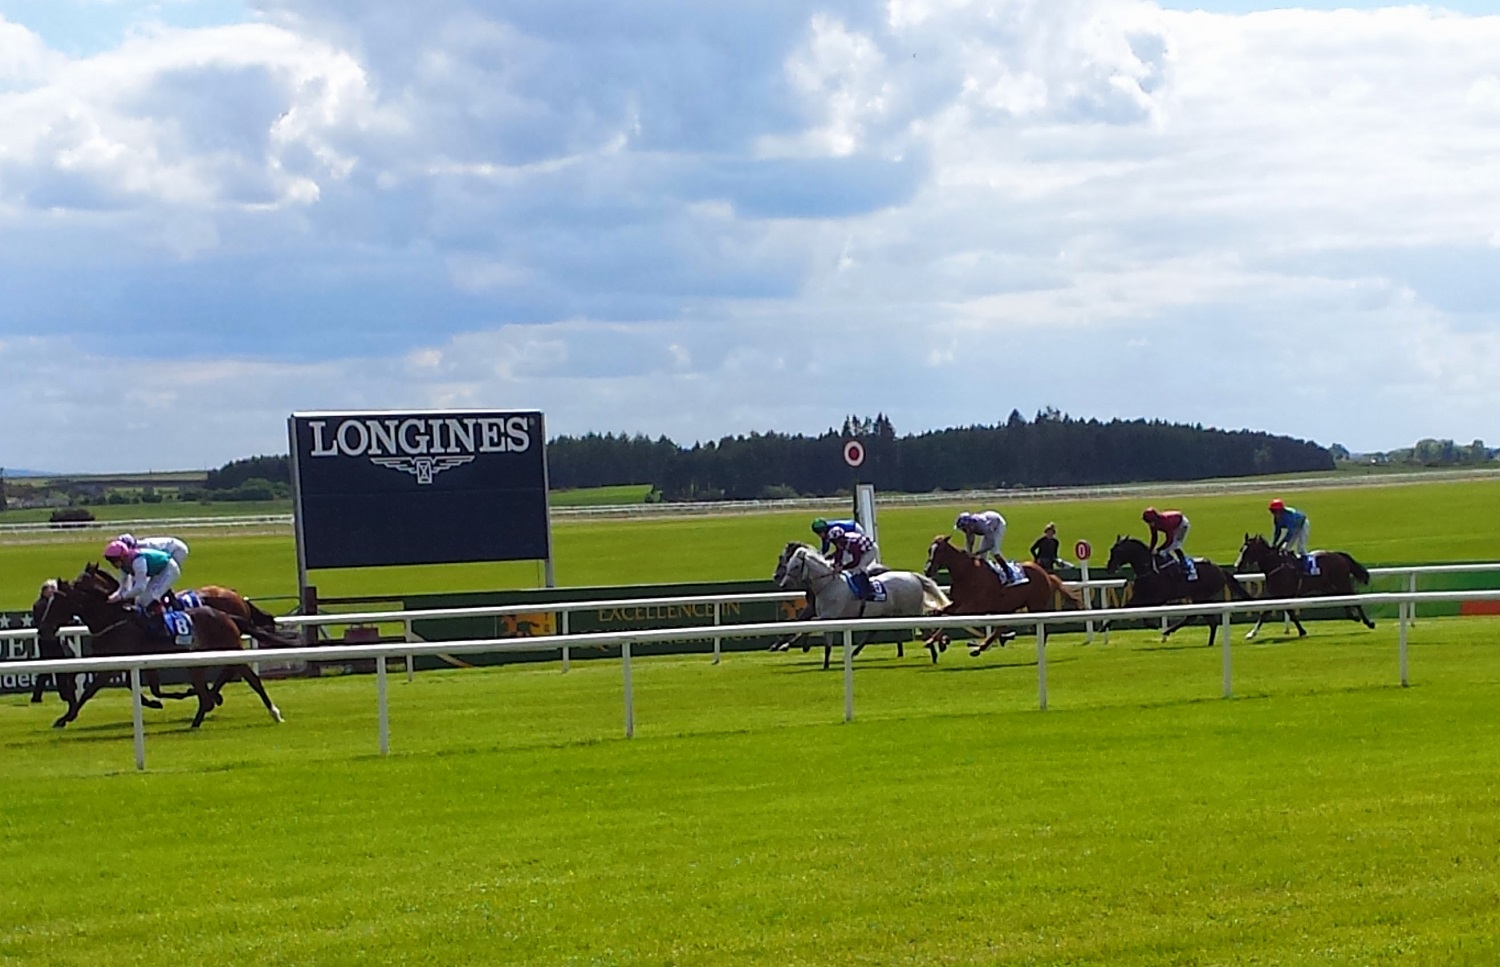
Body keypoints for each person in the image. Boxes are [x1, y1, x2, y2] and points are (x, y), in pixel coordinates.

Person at [102, 539, 180, 612]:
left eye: (113, 560)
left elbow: (140, 587)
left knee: (147, 599)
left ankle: (164, 619)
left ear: (122, 557)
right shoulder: (124, 565)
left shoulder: (138, 561)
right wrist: (113, 597)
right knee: (139, 601)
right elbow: (123, 586)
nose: (112, 563)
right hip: (157, 571)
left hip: (169, 569)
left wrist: (122, 597)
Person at [29, 579, 70, 704]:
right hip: (46, 640)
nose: (53, 591)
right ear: (44, 590)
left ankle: (63, 695)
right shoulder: (39, 605)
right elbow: (41, 622)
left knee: (59, 669)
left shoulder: (54, 605)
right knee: (46, 671)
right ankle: (37, 696)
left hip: (54, 639)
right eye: (51, 588)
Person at [826, 525, 881, 601]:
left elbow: (856, 561)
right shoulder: (842, 542)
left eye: (835, 541)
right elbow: (839, 553)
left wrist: (843, 567)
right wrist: (836, 564)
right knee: (847, 564)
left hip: (870, 550)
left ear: (841, 539)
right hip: (858, 548)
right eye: (833, 542)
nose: (835, 544)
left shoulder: (853, 544)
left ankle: (868, 591)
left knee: (857, 569)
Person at [1142, 507, 1195, 580]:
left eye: (1150, 522)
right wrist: (1151, 549)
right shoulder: (1154, 523)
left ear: (1155, 519)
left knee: (1175, 546)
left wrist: (1159, 549)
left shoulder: (1165, 523)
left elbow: (1170, 540)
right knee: (1165, 550)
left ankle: (1189, 569)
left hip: (1182, 524)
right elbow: (1154, 537)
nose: (1150, 525)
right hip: (1174, 523)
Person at [1268, 499, 1316, 575]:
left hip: (1303, 524)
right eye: (1273, 512)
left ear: (1281, 511)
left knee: (1301, 548)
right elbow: (1277, 532)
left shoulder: (1288, 517)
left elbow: (1290, 533)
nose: (1274, 514)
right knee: (1285, 549)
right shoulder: (1276, 519)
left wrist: (1280, 544)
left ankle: (1307, 568)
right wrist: (1273, 544)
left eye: (1275, 511)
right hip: (1294, 527)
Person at [116, 533, 190, 569]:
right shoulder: (137, 548)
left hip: (178, 549)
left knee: (165, 573)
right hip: (169, 547)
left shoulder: (147, 547)